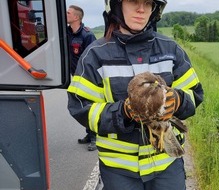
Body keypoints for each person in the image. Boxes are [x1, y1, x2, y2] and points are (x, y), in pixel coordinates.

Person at [67, 0, 204, 189]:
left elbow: (195, 94)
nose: (141, 9)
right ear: (116, 5)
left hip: (167, 164)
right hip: (119, 169)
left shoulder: (171, 50)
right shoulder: (94, 55)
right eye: (133, 1)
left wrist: (178, 100)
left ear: (155, 9)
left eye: (148, 3)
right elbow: (81, 108)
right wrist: (123, 112)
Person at [66, 5, 97, 151]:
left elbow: (93, 58)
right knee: (80, 106)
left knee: (89, 105)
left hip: (87, 78)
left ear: (76, 17)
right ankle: (89, 134)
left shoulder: (87, 35)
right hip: (75, 76)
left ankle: (95, 137)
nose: (65, 14)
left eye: (68, 13)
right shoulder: (66, 33)